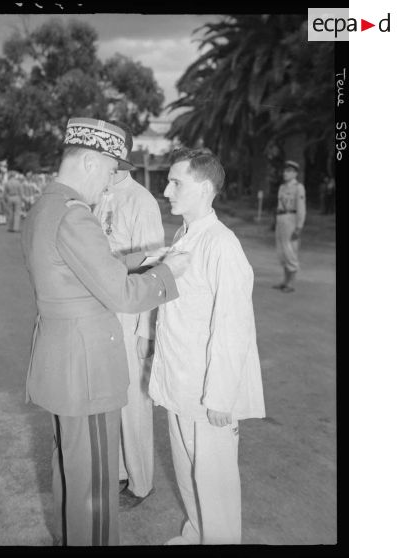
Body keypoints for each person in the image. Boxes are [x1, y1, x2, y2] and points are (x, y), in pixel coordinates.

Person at [21, 117, 190, 546]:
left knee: (71, 473)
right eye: (111, 170)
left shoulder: (46, 206)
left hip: (62, 365)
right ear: (91, 162)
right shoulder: (76, 215)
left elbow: (77, 273)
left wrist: (141, 259)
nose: (108, 183)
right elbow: (122, 296)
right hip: (88, 372)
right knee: (94, 490)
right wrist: (168, 273)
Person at [148, 147, 266, 545]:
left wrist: (220, 396)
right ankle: (196, 534)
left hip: (208, 389)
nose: (166, 191)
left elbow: (233, 326)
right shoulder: (183, 235)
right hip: (180, 381)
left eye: (175, 183)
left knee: (215, 484)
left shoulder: (222, 244)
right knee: (187, 471)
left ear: (203, 188)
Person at [92, 121, 164, 507]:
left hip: (129, 314)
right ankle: (119, 472)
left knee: (134, 402)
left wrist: (146, 331)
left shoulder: (141, 201)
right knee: (108, 396)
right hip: (98, 311)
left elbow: (152, 268)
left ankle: (140, 482)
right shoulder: (97, 196)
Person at [273, 160, 306, 293]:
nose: (285, 173)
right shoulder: (282, 187)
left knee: (290, 250)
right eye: (285, 170)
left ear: (295, 173)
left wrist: (299, 227)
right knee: (281, 251)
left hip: (291, 219)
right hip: (281, 219)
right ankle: (285, 281)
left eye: (289, 171)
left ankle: (291, 283)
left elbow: (301, 208)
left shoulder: (298, 187)